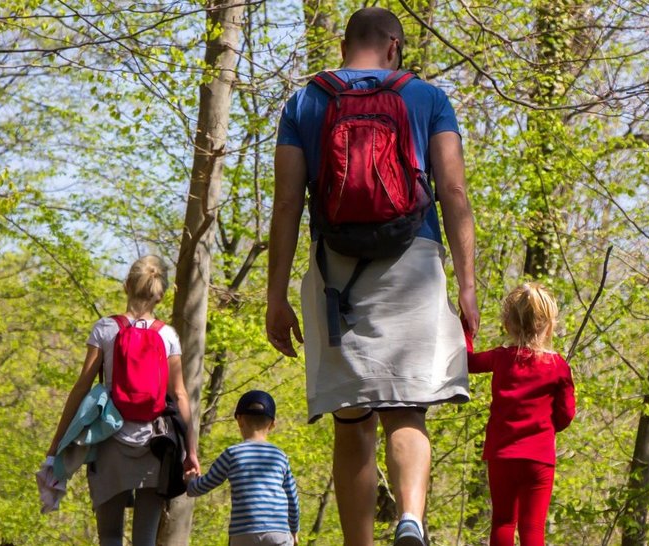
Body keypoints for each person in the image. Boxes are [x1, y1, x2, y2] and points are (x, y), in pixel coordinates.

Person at [265, 6, 478, 546]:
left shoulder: (305, 100)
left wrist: (276, 297)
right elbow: (453, 193)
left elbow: (288, 202)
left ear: (343, 45)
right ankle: (410, 518)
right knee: (406, 408)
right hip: (414, 262)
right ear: (393, 46)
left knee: (352, 419)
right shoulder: (427, 97)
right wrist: (467, 287)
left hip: (338, 272)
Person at [42, 256, 199, 546]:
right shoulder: (167, 335)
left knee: (110, 535)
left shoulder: (105, 329)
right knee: (145, 539)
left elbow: (81, 388)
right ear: (160, 294)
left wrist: (56, 446)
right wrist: (191, 451)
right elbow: (179, 395)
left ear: (126, 286)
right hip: (155, 443)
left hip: (109, 440)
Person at [467, 283, 577, 546]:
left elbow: (467, 362)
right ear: (549, 325)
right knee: (533, 528)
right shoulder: (558, 366)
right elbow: (566, 414)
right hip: (538, 459)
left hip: (502, 454)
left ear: (508, 324)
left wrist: (466, 327)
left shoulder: (500, 358)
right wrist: (548, 427)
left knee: (503, 522)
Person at [185, 390, 301, 546]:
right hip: (277, 532)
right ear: (273, 424)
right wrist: (294, 530)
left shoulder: (232, 454)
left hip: (243, 533)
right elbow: (292, 498)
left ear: (239, 420)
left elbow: (203, 485)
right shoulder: (279, 456)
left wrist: (191, 481)